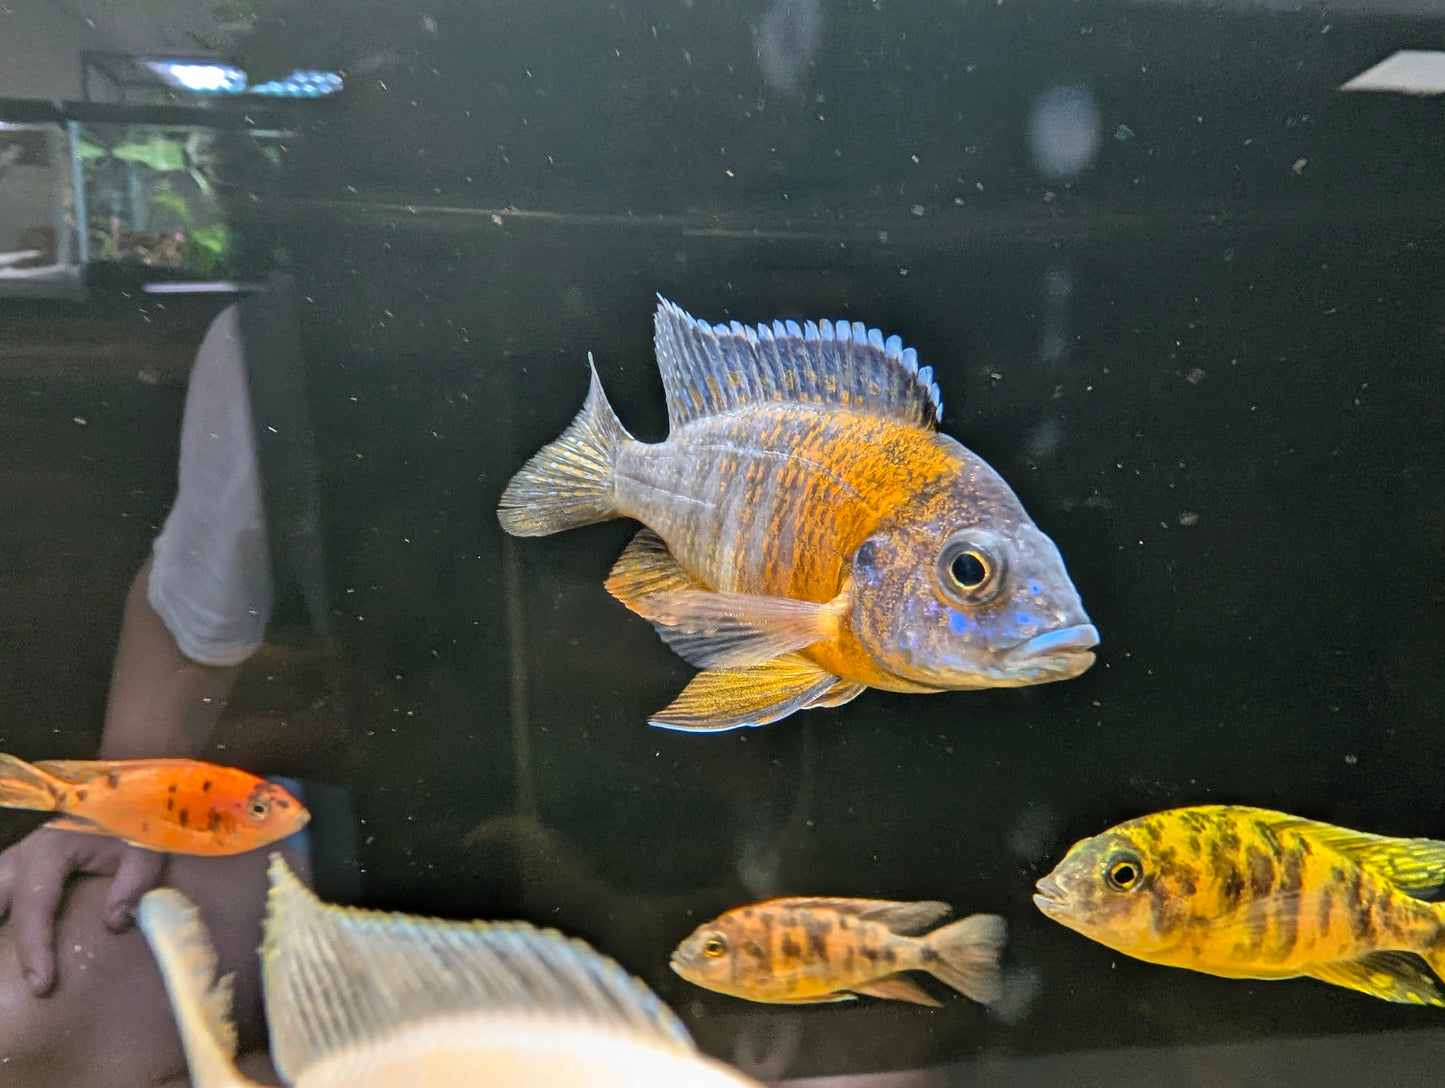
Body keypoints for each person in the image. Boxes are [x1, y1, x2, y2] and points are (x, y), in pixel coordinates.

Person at [0, 302, 303, 1088]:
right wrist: (117, 799)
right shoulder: (270, 338)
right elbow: (198, 617)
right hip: (358, 831)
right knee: (19, 1016)